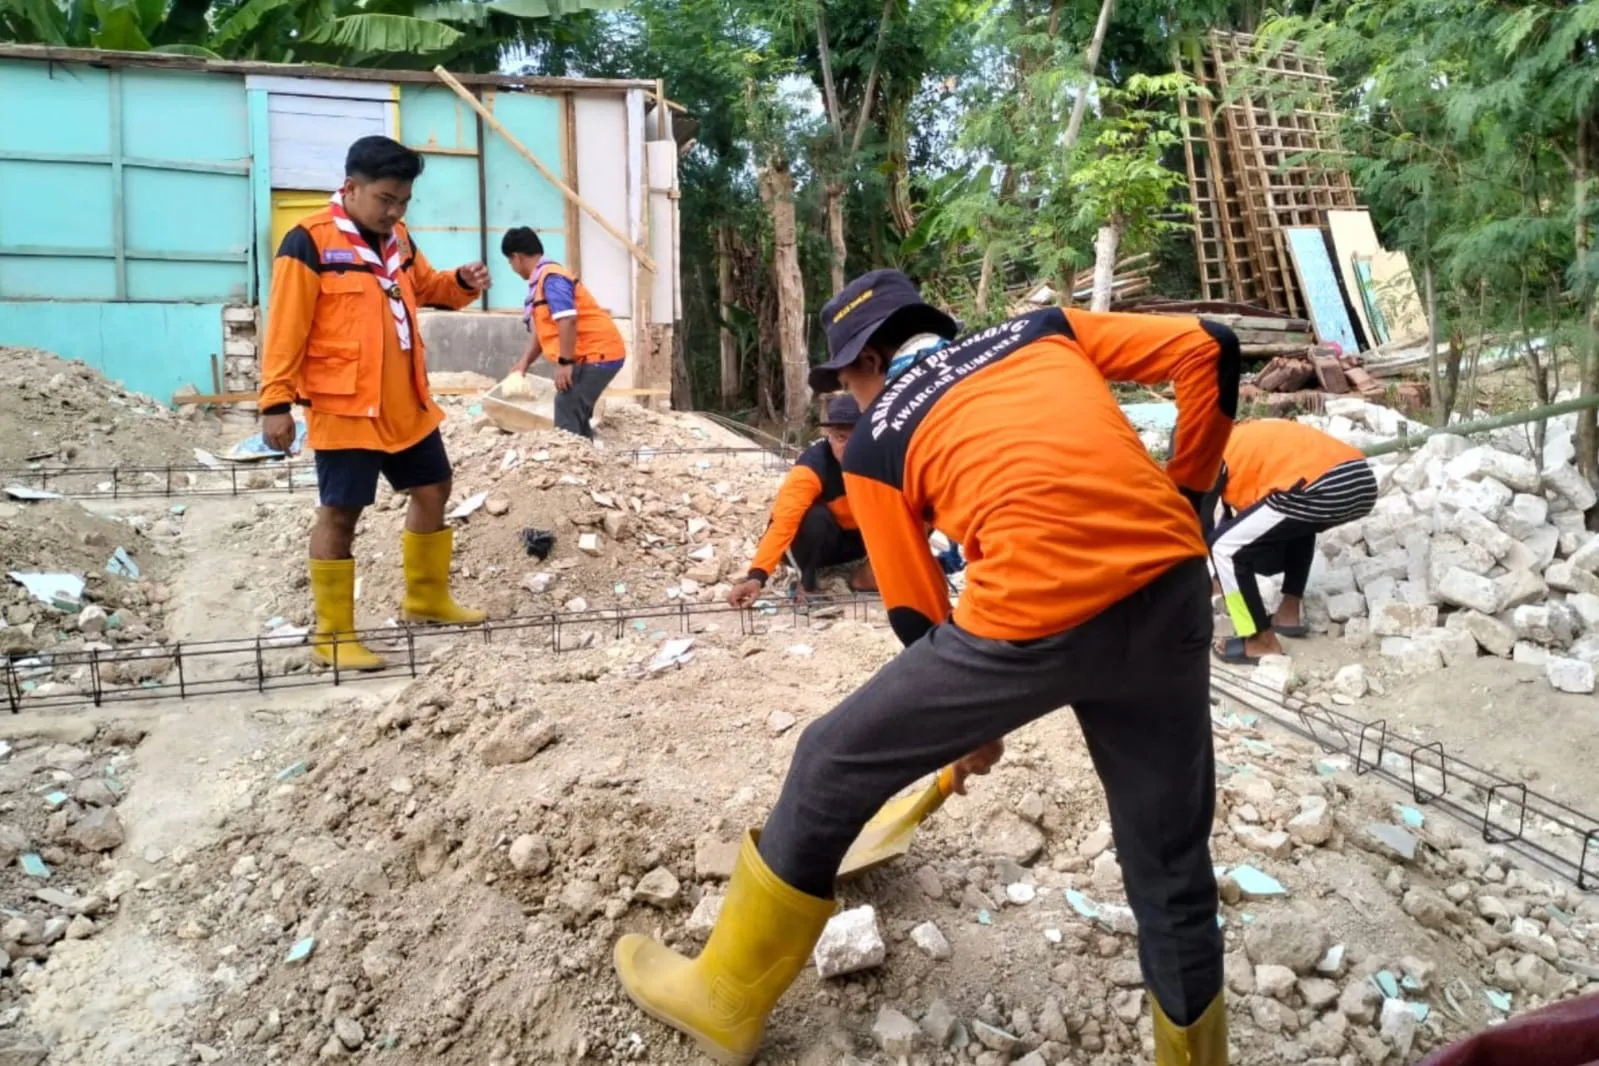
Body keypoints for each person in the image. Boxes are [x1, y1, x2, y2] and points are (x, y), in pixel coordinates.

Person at [614, 269, 1241, 1066]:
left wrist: (963, 728)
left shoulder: (877, 443)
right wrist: (1184, 495)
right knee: (1168, 859)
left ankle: (723, 999)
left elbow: (916, 612)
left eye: (846, 379)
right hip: (1171, 596)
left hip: (1031, 620)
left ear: (869, 360)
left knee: (828, 759)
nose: (851, 399)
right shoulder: (1042, 330)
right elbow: (1209, 347)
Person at [259, 135, 491, 672]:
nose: (395, 211)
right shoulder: (309, 242)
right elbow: (285, 328)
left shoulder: (399, 240)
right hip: (344, 405)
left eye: (403, 201)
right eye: (386, 199)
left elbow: (427, 286)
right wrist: (276, 402)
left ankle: (426, 598)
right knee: (342, 512)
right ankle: (334, 634)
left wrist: (460, 282)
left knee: (434, 487)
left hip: (404, 401)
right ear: (351, 188)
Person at [1208, 418, 1377, 665]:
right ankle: (1288, 614)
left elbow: (1204, 527)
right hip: (1359, 479)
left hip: (1325, 485)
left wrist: (1204, 581)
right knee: (1294, 522)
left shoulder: (1214, 458)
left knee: (1224, 549)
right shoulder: (1241, 442)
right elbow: (1243, 524)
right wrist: (1218, 578)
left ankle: (1260, 640)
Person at [726, 395, 876, 608]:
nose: (850, 447)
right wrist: (757, 577)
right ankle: (807, 583)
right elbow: (783, 524)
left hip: (855, 540)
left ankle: (864, 574)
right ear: (829, 436)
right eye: (841, 438)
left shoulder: (879, 460)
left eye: (857, 439)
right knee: (815, 516)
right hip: (812, 544)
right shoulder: (811, 467)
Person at [501, 226, 627, 439]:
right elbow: (544, 331)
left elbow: (567, 319)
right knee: (574, 407)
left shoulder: (552, 279)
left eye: (510, 262)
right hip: (594, 352)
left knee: (566, 406)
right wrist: (524, 362)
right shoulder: (542, 280)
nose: (512, 267)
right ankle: (584, 455)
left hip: (598, 353)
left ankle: (572, 464)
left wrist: (565, 363)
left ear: (518, 257)